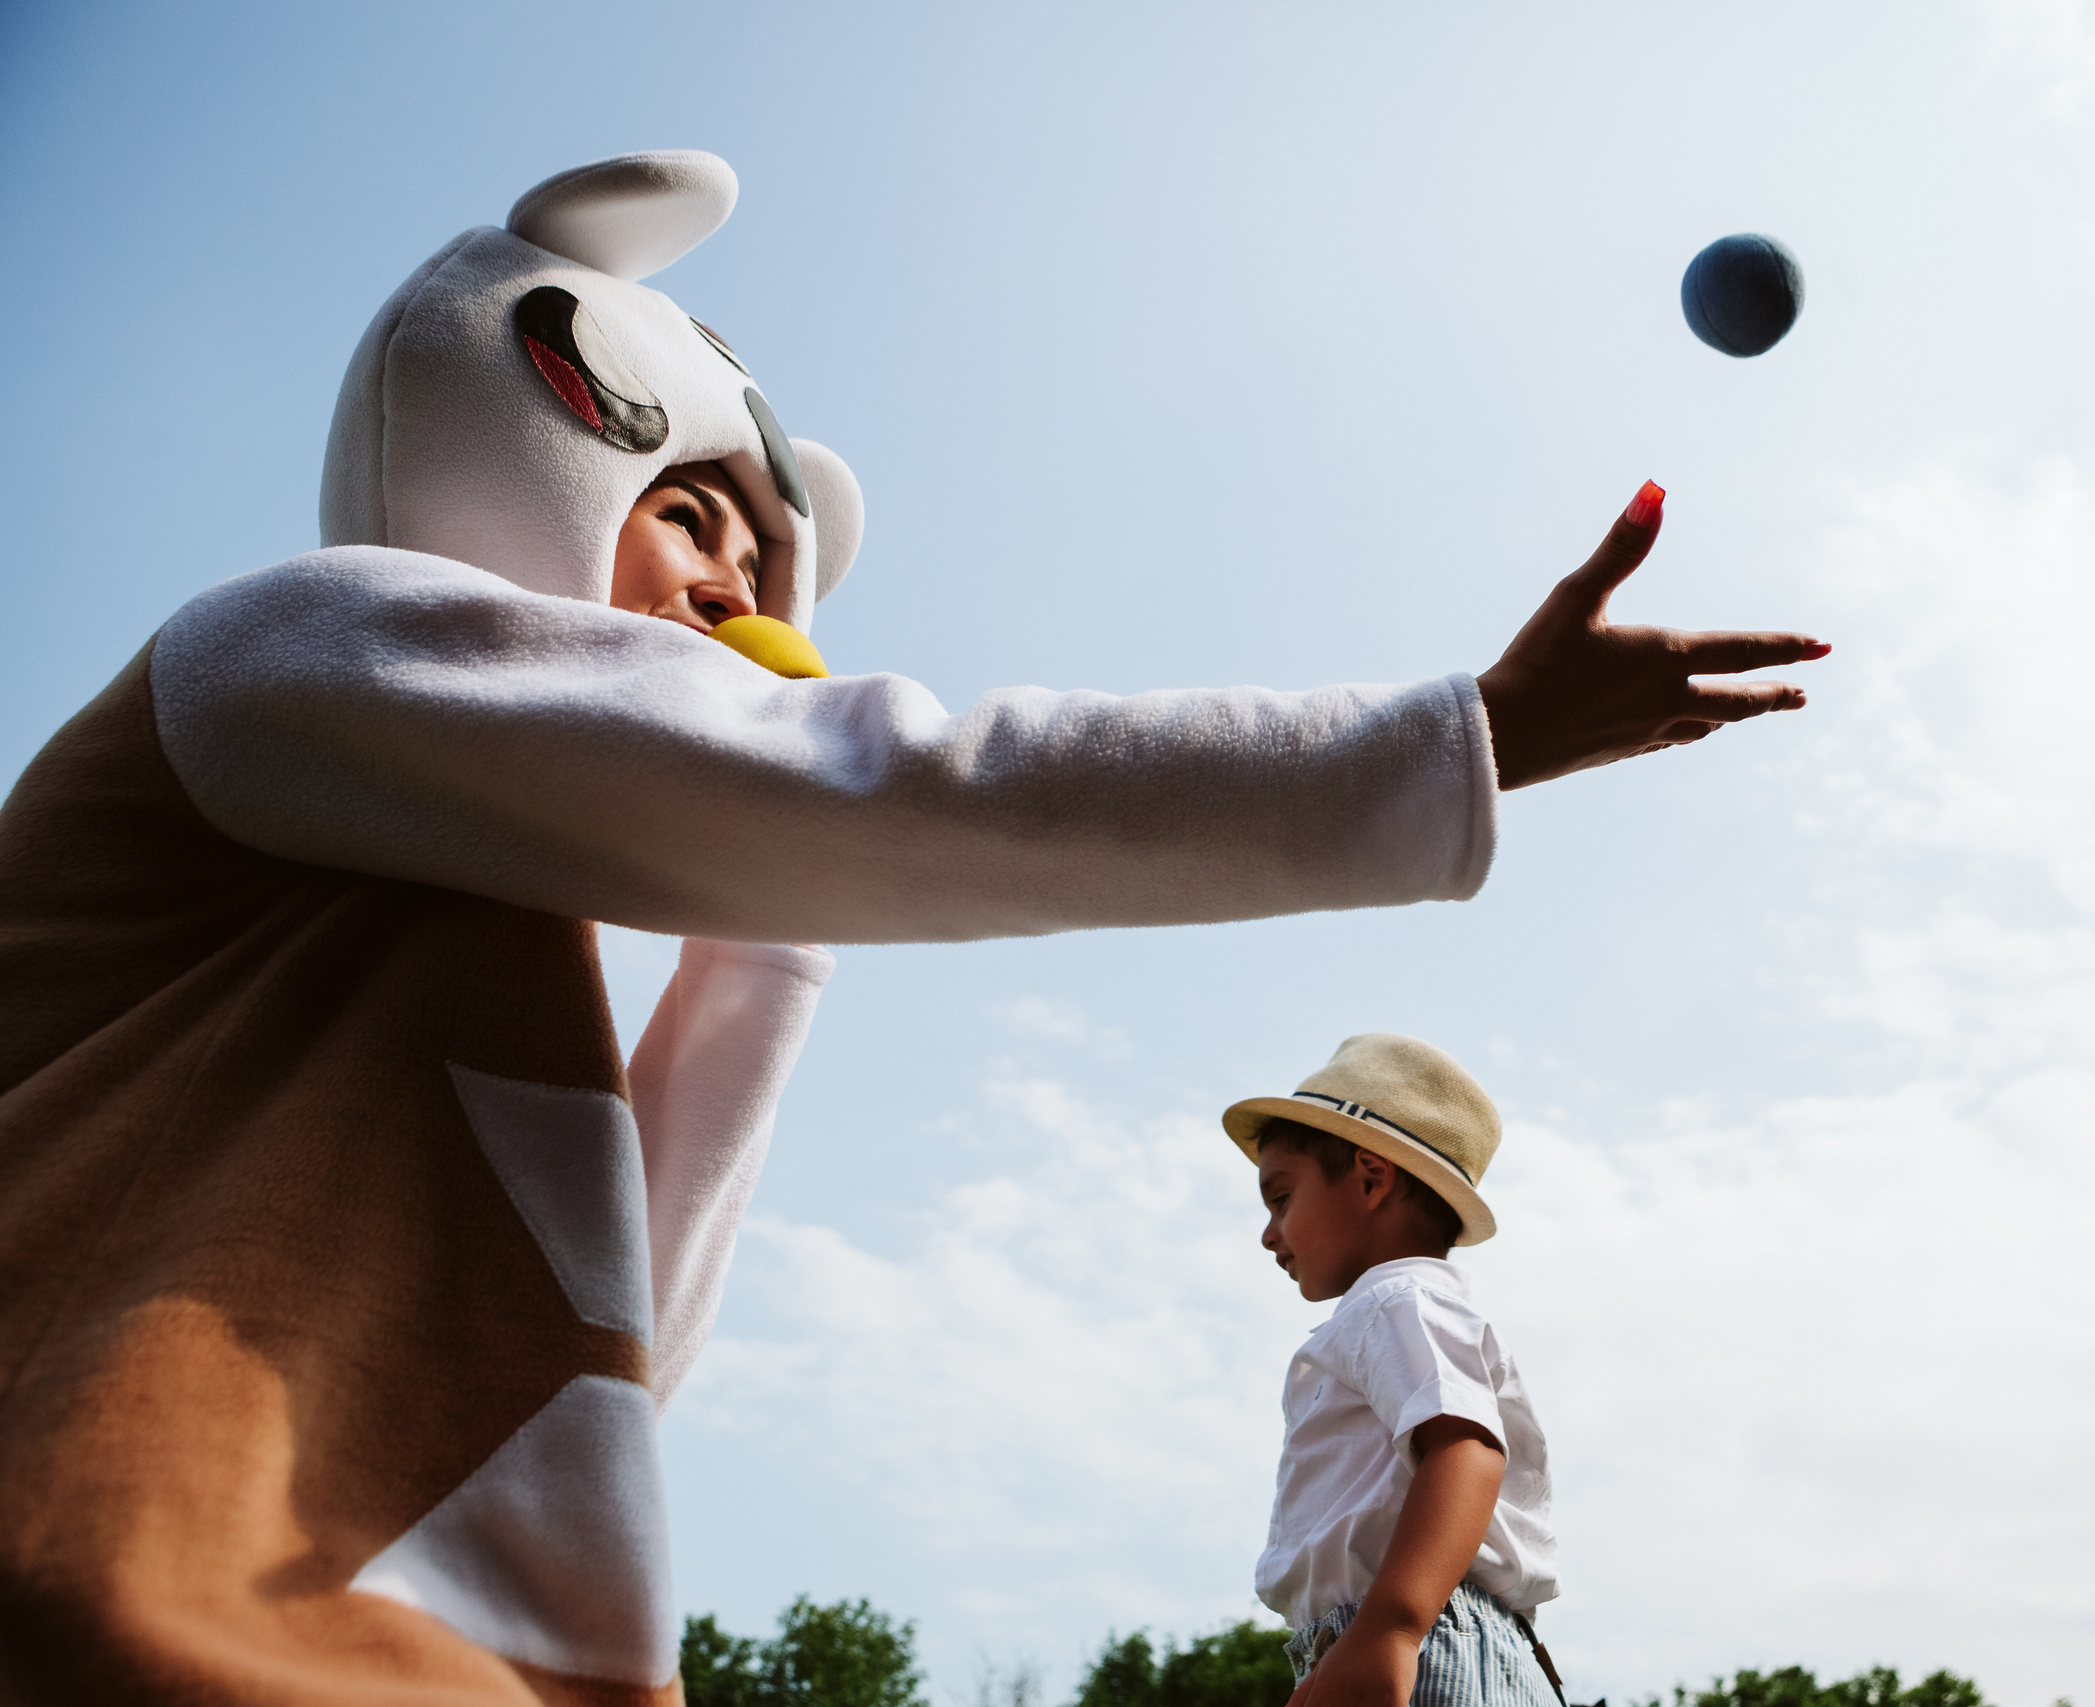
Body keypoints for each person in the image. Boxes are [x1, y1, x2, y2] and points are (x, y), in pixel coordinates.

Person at [0, 151, 1819, 1705]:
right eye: (685, 512)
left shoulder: (479, 925)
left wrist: (775, 934)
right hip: (115, 1596)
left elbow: (606, 1344)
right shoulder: (294, 647)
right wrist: (1462, 741)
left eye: (758, 553)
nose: (731, 580)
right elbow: (872, 785)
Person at [1229, 1034, 1560, 1707]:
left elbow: (1465, 1448)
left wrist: (1390, 1627)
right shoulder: (1401, 1308)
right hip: (1410, 1627)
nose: (1269, 1232)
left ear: (1372, 1178)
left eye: (1282, 1198)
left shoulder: (1392, 1299)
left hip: (1425, 1627)